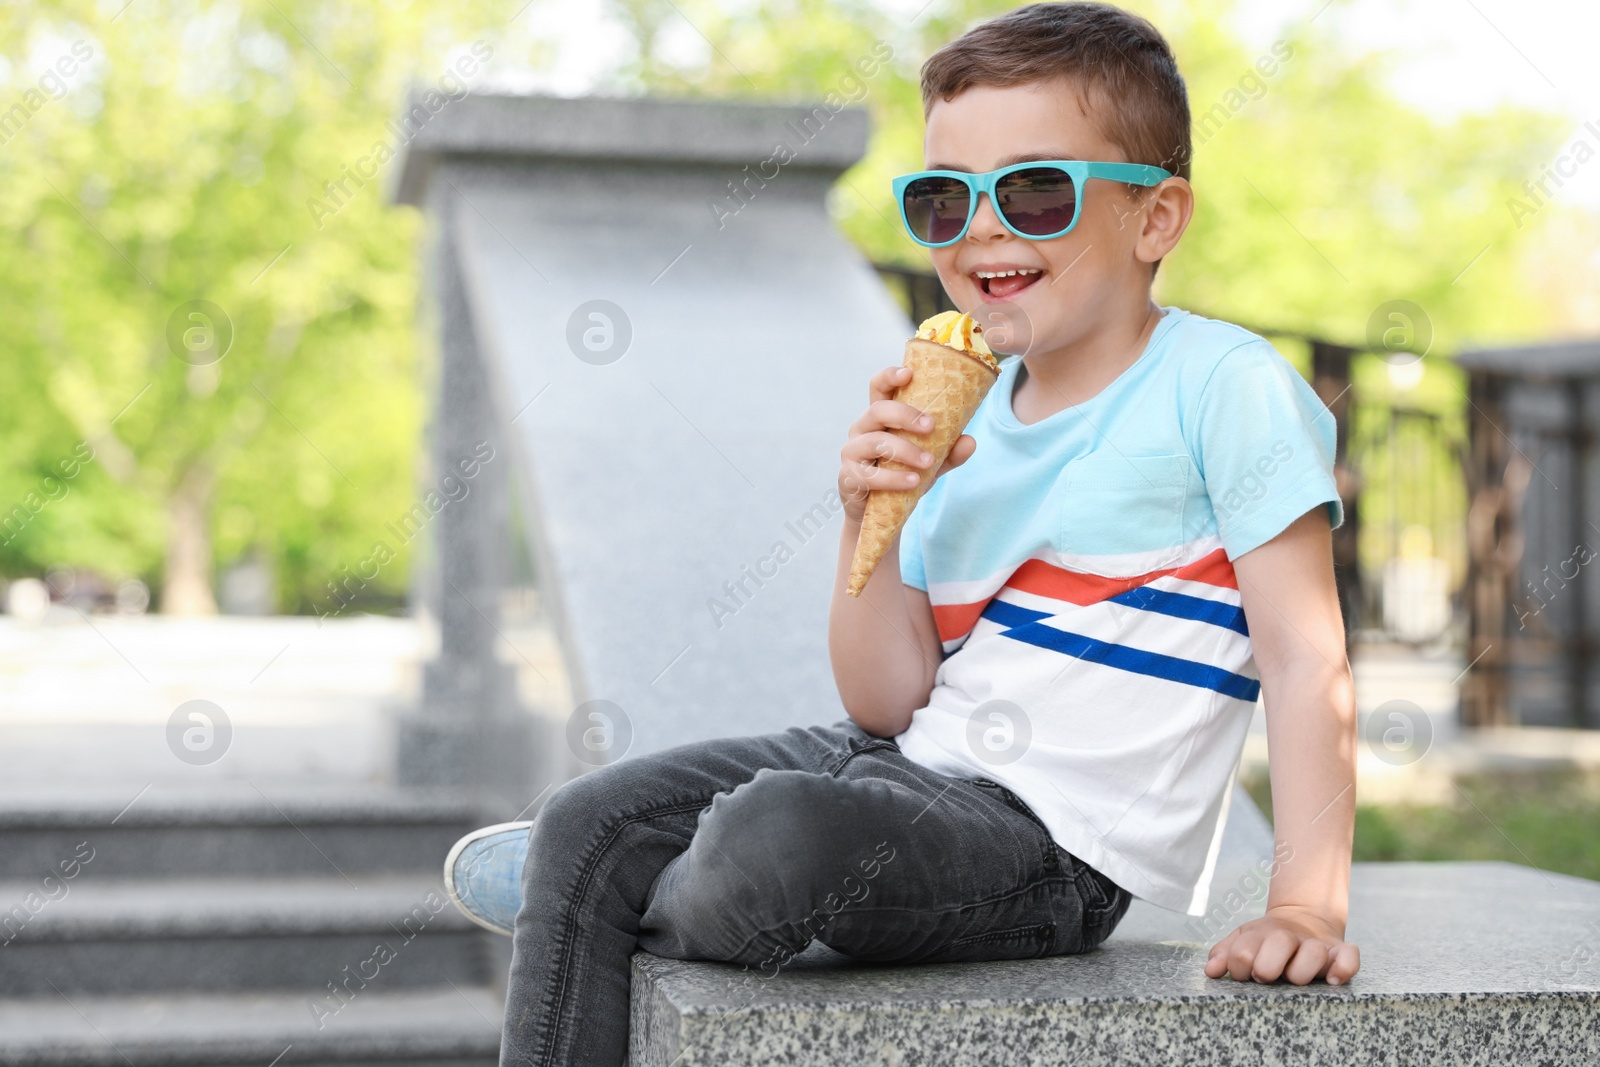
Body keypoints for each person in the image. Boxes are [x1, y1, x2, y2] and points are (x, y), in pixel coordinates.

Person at [444, 4, 1360, 1064]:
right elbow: (885, 698)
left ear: (1155, 218)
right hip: (894, 760)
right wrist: (865, 519)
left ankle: (605, 894)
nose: (981, 228)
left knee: (772, 836)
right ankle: (594, 871)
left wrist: (1305, 902)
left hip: (1049, 842)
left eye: (1033, 189)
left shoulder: (1225, 387)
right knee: (586, 811)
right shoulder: (959, 416)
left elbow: (1306, 659)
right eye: (943, 196)